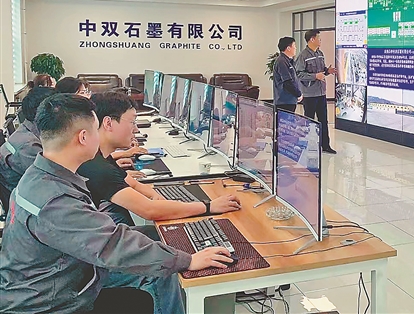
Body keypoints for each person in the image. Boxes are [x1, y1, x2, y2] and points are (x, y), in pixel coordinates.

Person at [0, 93, 233, 314]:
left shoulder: (40, 174)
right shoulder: (55, 199)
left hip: (55, 277)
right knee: (161, 271)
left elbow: (100, 234)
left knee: (157, 250)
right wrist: (188, 260)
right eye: (96, 129)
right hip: (49, 301)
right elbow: (112, 245)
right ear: (83, 137)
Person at [77, 92, 241, 227]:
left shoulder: (101, 156)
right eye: (132, 122)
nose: (136, 129)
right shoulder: (98, 168)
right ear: (108, 123)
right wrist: (209, 206)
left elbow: (132, 183)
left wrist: (155, 195)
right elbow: (149, 211)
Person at [0, 86, 57, 213]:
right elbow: (50, 181)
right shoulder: (29, 146)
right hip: (29, 206)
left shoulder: (28, 130)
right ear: (42, 112)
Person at [296, 29, 337, 154]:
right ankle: (309, 145)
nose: (320, 40)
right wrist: (314, 76)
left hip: (321, 92)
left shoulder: (320, 53)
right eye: (319, 38)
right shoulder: (303, 56)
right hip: (310, 94)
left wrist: (327, 71)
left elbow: (322, 71)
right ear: (312, 39)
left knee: (323, 120)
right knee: (309, 121)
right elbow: (299, 74)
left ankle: (326, 145)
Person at [273, 36, 303, 113]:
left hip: (290, 101)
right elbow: (287, 82)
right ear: (288, 48)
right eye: (294, 46)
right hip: (284, 102)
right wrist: (298, 94)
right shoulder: (282, 61)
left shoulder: (288, 61)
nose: (295, 48)